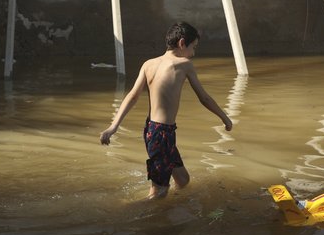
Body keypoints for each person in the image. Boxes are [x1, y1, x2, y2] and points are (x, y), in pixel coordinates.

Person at [100, 22, 233, 199]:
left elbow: (132, 96)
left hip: (153, 131)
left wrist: (113, 127)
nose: (193, 53)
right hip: (162, 135)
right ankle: (130, 214)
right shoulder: (184, 64)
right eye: (193, 47)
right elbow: (204, 98)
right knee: (159, 193)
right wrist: (225, 118)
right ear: (182, 43)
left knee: (183, 180)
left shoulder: (149, 64)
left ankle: (173, 210)